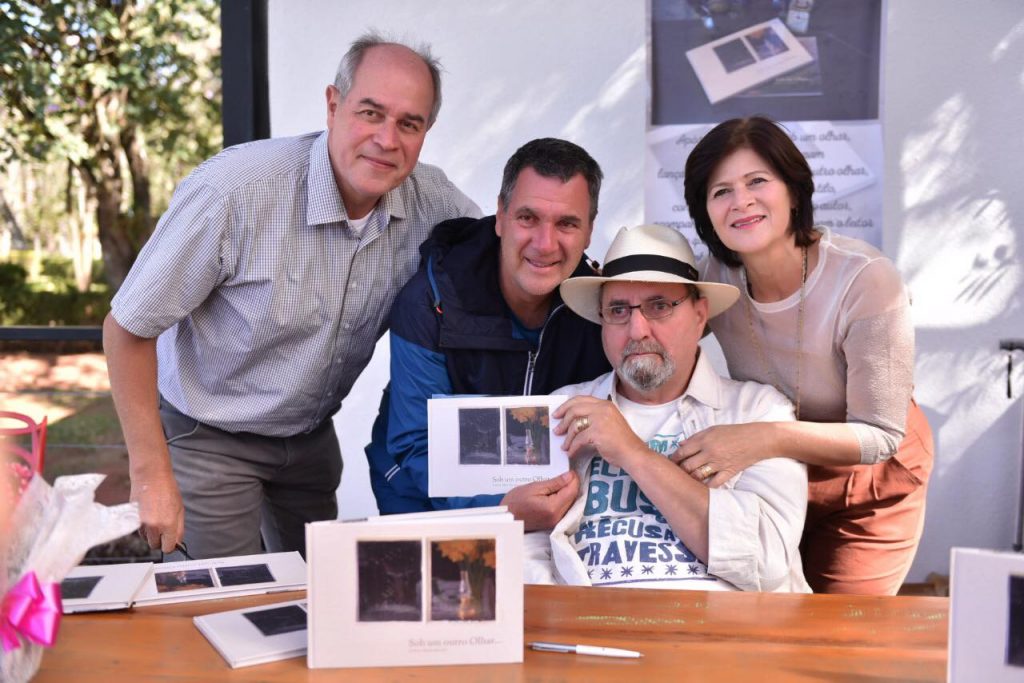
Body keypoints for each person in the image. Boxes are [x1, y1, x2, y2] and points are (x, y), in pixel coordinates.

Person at [103, 32, 481, 560]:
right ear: (333, 105)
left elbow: (510, 254)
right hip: (209, 432)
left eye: (408, 123)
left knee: (315, 597)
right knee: (220, 606)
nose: (387, 139)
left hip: (308, 439)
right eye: (370, 113)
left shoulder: (433, 203)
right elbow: (127, 328)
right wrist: (150, 476)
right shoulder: (233, 192)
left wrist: (602, 290)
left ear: (425, 132)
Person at [679, 116, 933, 595]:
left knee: (838, 642)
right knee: (763, 629)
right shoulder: (712, 277)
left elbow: (880, 436)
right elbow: (660, 335)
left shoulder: (865, 279)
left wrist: (758, 438)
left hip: (871, 480)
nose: (742, 201)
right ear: (705, 213)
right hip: (774, 474)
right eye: (721, 191)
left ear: (794, 192)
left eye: (757, 181)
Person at [545, 224, 810, 592]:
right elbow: (532, 554)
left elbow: (767, 563)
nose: (637, 330)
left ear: (700, 315)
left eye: (659, 306)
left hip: (724, 638)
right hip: (591, 636)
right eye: (618, 310)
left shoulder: (759, 411)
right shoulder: (561, 408)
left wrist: (633, 452)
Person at [365, 138, 611, 530]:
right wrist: (500, 510)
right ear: (500, 215)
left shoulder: (604, 310)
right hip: (425, 504)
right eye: (528, 218)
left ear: (589, 231)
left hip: (556, 510)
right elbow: (416, 445)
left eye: (566, 223)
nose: (545, 244)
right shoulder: (431, 299)